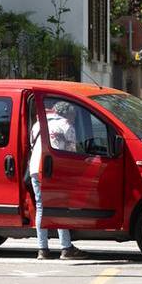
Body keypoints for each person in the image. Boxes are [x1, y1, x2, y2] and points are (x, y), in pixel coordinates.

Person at [29, 100, 89, 260]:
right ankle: (66, 248)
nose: (74, 119)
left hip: (36, 169)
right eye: (73, 115)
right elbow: (72, 152)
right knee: (60, 207)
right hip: (55, 169)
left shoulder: (37, 125)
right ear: (67, 114)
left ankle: (42, 249)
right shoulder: (66, 125)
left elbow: (32, 145)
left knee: (41, 207)